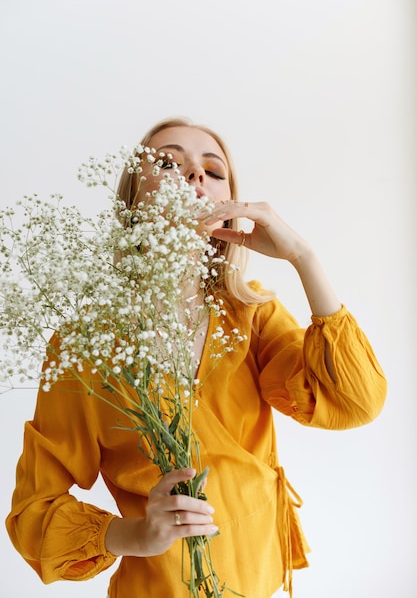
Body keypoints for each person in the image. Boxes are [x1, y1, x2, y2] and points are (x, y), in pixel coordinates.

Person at [5, 118, 387, 598]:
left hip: (259, 577)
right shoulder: (86, 345)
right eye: (168, 162)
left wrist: (304, 258)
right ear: (133, 199)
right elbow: (33, 513)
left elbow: (356, 403)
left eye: (213, 169)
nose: (196, 176)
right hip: (158, 587)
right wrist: (137, 536)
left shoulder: (253, 314)